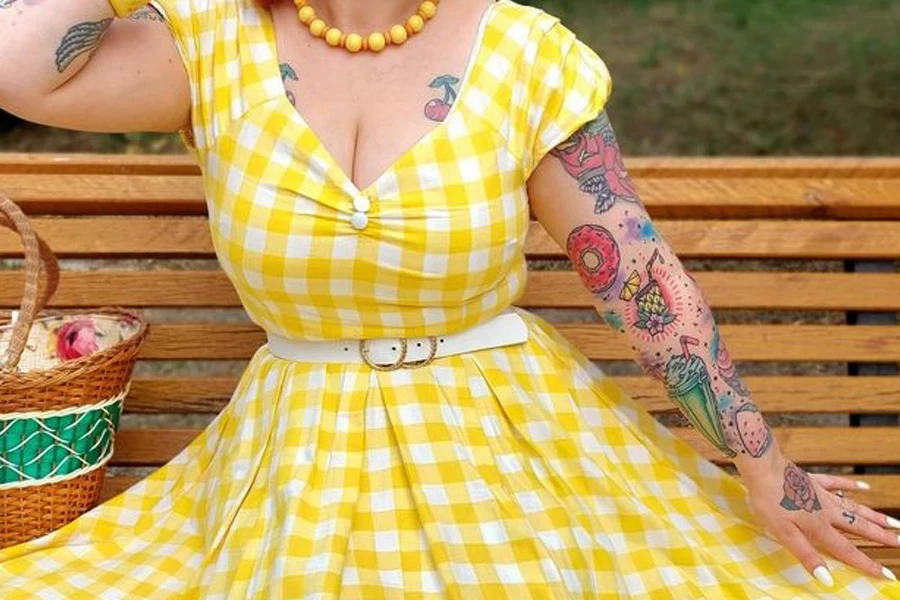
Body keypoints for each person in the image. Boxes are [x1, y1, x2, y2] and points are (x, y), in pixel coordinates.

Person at [0, 0, 898, 597]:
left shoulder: (520, 53)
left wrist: (765, 467)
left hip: (508, 438)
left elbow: (638, 277)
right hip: (300, 452)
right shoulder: (208, 40)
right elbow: (21, 66)